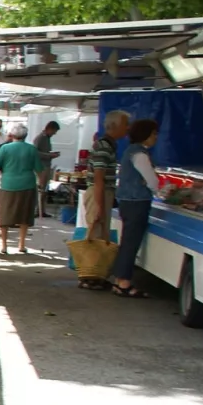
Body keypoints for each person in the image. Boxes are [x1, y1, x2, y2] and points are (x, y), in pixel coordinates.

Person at [110, 118, 161, 298]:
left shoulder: (131, 152)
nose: (156, 137)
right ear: (145, 134)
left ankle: (119, 281)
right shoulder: (140, 154)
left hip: (127, 200)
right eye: (154, 133)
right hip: (136, 201)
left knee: (127, 241)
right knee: (131, 242)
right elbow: (152, 180)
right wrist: (161, 191)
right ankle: (124, 282)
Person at [82, 110, 130, 290]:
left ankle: (95, 275)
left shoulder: (108, 145)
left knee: (100, 234)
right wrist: (100, 206)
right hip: (99, 192)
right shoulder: (103, 146)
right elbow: (99, 178)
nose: (128, 129)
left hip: (102, 192)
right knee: (95, 233)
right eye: (126, 124)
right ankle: (90, 276)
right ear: (116, 126)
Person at [0, 122, 43, 254]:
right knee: (25, 215)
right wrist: (41, 183)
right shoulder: (32, 149)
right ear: (26, 135)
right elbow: (39, 169)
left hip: (8, 184)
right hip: (28, 184)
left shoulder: (5, 148)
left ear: (12, 134)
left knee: (5, 215)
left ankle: (4, 245)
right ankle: (22, 244)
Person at [34, 120, 62, 213]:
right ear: (50, 129)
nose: (54, 133)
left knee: (44, 189)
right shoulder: (40, 138)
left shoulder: (47, 138)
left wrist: (52, 154)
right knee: (41, 189)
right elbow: (35, 152)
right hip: (41, 167)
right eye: (54, 131)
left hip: (46, 165)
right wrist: (49, 155)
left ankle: (42, 210)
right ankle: (37, 210)